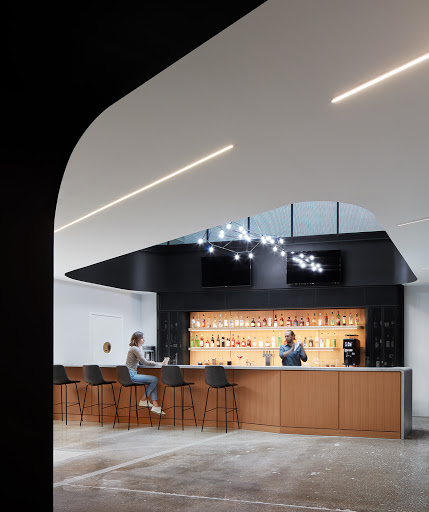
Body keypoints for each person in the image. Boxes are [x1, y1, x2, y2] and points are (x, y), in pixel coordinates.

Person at [125, 331, 169, 415]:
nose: (144, 339)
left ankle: (155, 405)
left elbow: (142, 362)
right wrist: (160, 363)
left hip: (130, 374)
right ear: (137, 339)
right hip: (131, 375)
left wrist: (152, 362)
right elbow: (145, 362)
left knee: (153, 381)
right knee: (154, 379)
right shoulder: (134, 349)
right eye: (142, 338)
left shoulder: (135, 348)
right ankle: (143, 400)